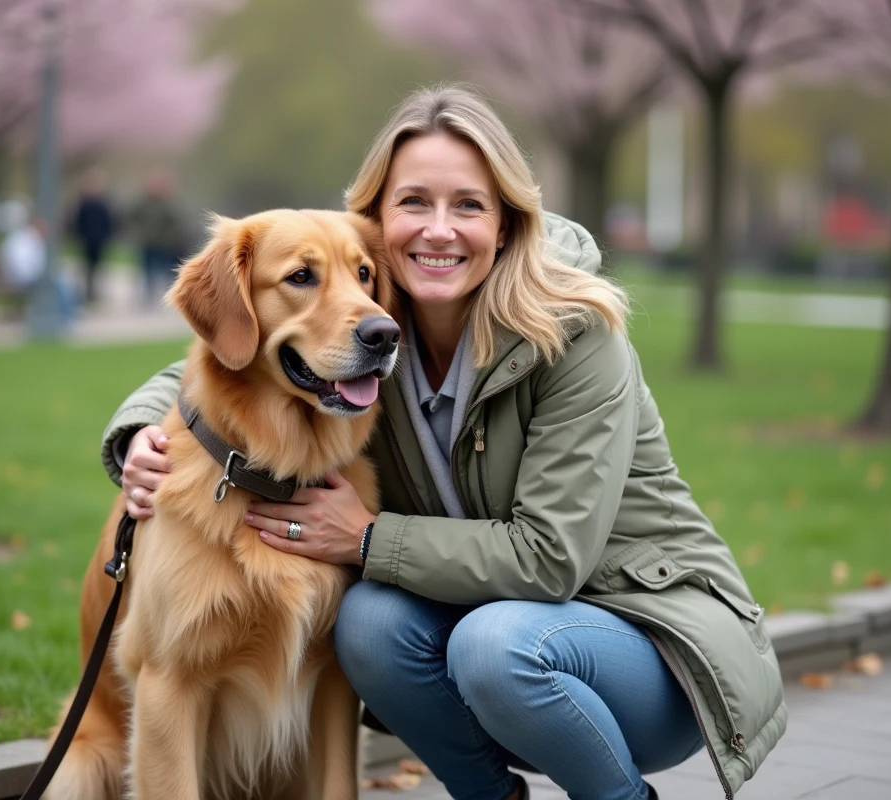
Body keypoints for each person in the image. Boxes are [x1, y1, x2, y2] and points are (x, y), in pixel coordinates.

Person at [99, 86, 785, 800]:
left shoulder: (579, 336)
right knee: (366, 624)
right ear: (377, 220)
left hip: (649, 645)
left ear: (506, 222)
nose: (438, 230)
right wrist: (139, 432)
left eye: (467, 205)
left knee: (495, 648)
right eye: (414, 203)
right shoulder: (370, 329)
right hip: (494, 623)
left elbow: (549, 560)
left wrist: (367, 541)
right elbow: (235, 354)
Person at [127, 170, 186, 308]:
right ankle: (148, 298)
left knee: (166, 271)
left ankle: (170, 298)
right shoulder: (142, 203)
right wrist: (137, 232)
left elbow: (177, 223)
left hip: (165, 245)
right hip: (147, 243)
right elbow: (132, 217)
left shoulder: (169, 204)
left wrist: (173, 238)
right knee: (148, 271)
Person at [71, 168, 115, 306]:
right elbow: (77, 222)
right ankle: (87, 292)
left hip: (99, 240)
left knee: (97, 267)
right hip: (86, 240)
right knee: (87, 267)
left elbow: (109, 222)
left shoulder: (103, 203)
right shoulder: (83, 204)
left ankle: (94, 291)